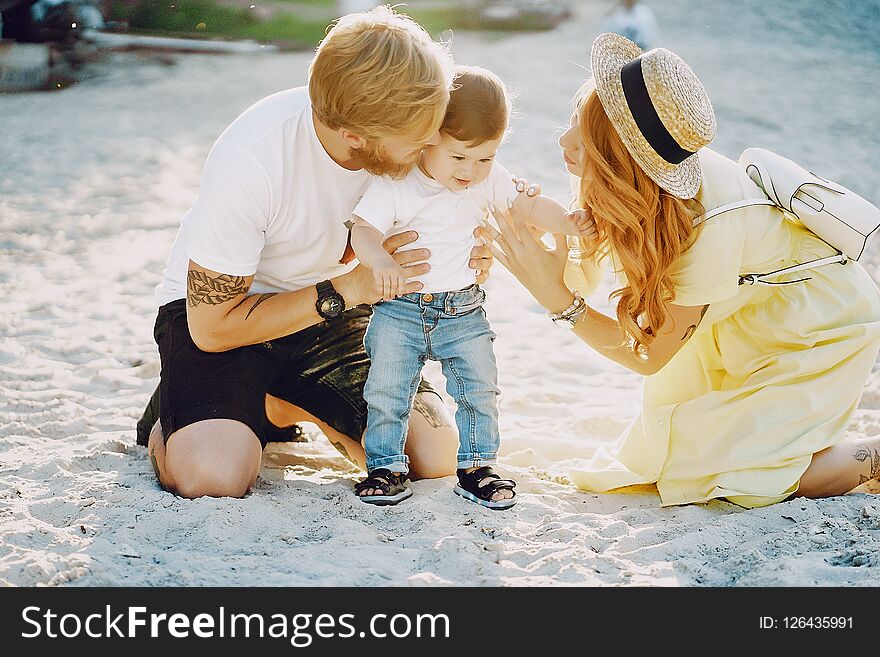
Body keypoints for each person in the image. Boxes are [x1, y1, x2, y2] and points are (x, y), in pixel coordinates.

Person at [485, 32, 880, 508]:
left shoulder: (707, 223)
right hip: (741, 316)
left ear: (622, 160)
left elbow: (647, 357)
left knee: (741, 482)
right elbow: (583, 274)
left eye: (586, 140)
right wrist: (544, 238)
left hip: (816, 326)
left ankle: (872, 457)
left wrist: (558, 302)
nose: (565, 141)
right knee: (669, 461)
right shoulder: (631, 182)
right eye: (573, 121)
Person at [138, 6, 497, 499]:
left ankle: (278, 402)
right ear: (355, 137)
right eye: (419, 138)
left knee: (433, 458)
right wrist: (348, 288)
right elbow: (212, 325)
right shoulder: (254, 157)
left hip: (335, 307)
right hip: (225, 319)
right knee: (213, 478)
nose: (431, 142)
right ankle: (177, 422)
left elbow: (466, 193)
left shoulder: (411, 127)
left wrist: (474, 251)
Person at [348, 65, 596, 507]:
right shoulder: (398, 183)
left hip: (463, 312)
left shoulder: (490, 178)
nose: (471, 171)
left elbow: (529, 205)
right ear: (429, 137)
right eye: (459, 157)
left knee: (479, 388)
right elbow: (362, 230)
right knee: (387, 389)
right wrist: (380, 258)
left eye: (485, 158)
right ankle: (384, 468)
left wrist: (568, 222)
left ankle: (478, 467)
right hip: (399, 309)